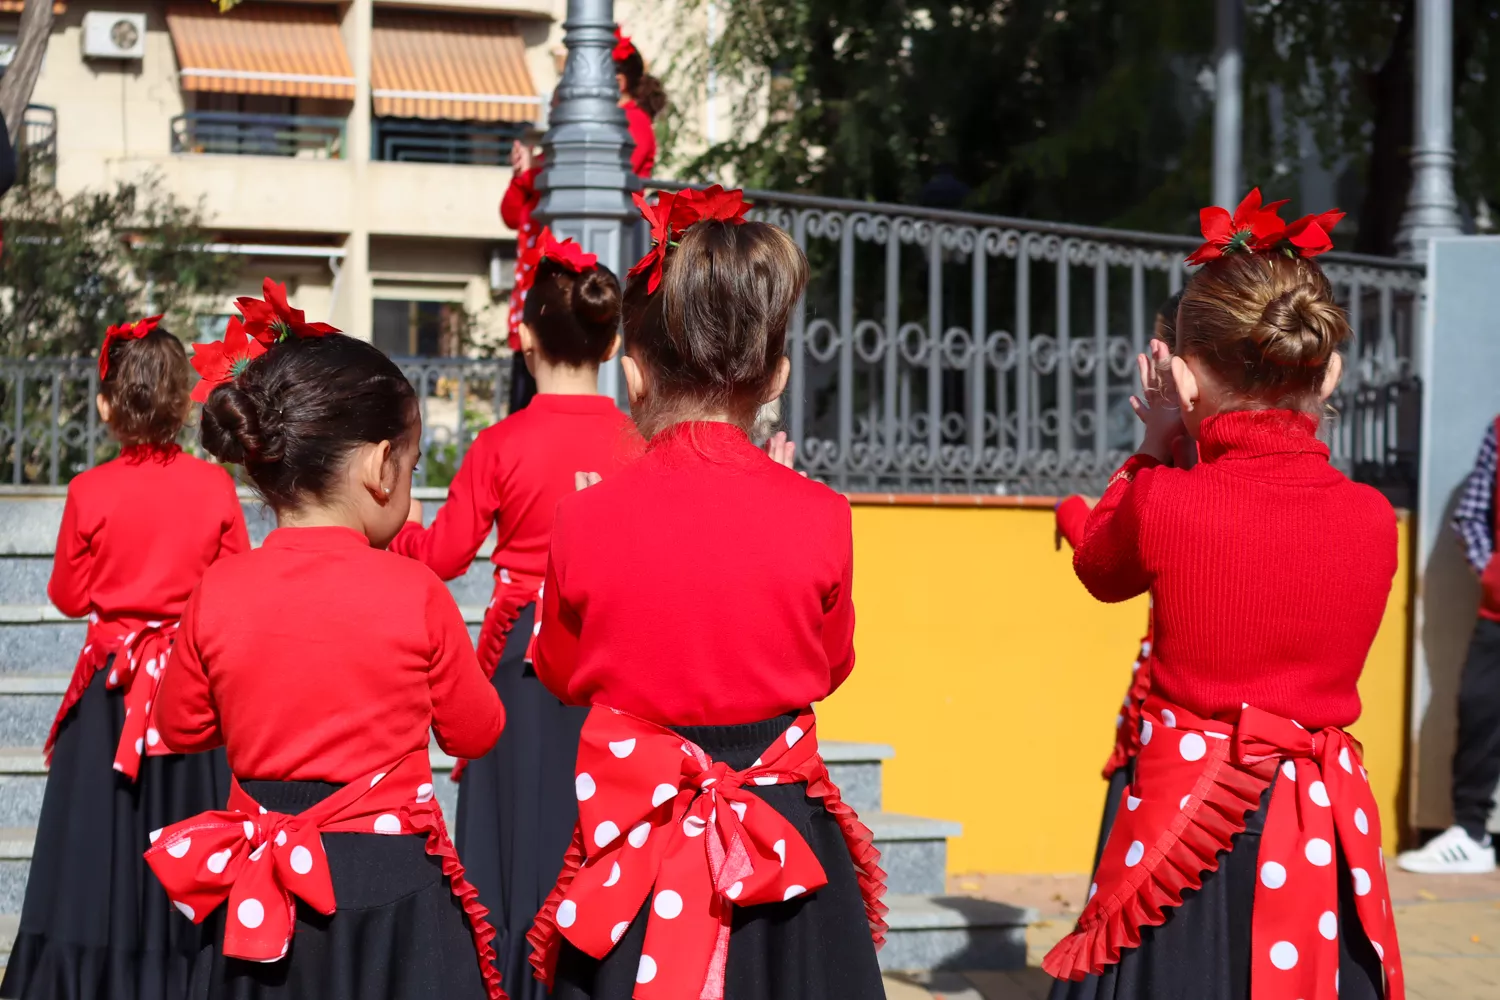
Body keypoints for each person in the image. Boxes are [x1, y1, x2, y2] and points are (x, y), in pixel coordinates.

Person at [522, 187, 886, 1000]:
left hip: (640, 847)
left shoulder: (583, 519)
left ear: (634, 374)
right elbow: (830, 666)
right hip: (783, 852)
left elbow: (556, 667)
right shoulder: (822, 515)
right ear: (776, 377)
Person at [1045, 191, 1404, 1000]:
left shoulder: (1169, 501)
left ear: (1177, 370)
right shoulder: (1374, 518)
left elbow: (1100, 567)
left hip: (1185, 823)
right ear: (1331, 369)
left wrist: (1151, 445)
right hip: (1320, 824)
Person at [144, 288, 507, 1000]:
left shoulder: (219, 590)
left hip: (259, 889)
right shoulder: (415, 591)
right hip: (389, 887)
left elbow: (176, 724)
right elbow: (477, 730)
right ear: (379, 467)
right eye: (413, 462)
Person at [389, 229, 642, 998]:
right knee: (598, 817)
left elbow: (439, 557)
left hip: (521, 655)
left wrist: (369, 525)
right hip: (618, 654)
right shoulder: (641, 439)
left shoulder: (502, 443)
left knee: (515, 828)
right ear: (610, 343)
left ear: (524, 337)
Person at [3, 317, 248, 1000]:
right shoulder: (215, 489)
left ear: (108, 404)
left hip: (112, 690)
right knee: (190, 840)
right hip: (188, 694)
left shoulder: (89, 492)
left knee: (93, 845)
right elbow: (235, 588)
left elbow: (66, 596)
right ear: (183, 403)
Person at [1055, 292, 1183, 871]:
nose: (1150, 358)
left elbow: (1103, 558)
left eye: (1161, 346)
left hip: (1170, 728)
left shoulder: (1179, 468)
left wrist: (1154, 443)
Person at [499, 23, 665, 414]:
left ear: (617, 80)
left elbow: (605, 173)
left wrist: (533, 173)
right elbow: (511, 214)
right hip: (540, 269)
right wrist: (525, 175)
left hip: (594, 258)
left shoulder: (631, 123)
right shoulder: (558, 152)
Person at [1397, 418, 1500, 873]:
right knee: (1478, 710)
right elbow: (1471, 514)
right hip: (1497, 614)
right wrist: (1493, 576)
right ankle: (1470, 835)